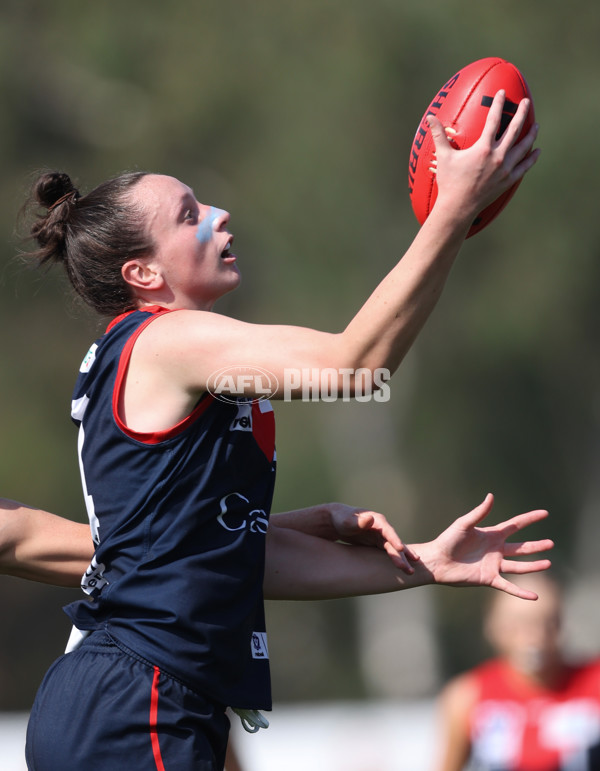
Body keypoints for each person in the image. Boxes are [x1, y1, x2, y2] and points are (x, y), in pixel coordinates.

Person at [8, 90, 549, 771]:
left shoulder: (175, 361)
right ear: (143, 273)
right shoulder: (169, 339)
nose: (217, 213)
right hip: (133, 698)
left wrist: (418, 564)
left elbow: (235, 558)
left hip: (140, 697)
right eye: (188, 214)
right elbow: (357, 367)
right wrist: (453, 208)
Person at [435, 574, 600, 771]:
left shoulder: (593, 681)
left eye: (545, 621)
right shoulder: (467, 694)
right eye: (518, 623)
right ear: (492, 626)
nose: (534, 636)